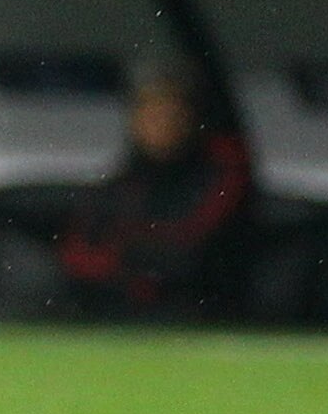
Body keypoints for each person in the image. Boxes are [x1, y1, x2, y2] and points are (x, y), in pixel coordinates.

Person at [55, 65, 252, 320]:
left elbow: (192, 252)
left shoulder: (219, 173)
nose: (161, 123)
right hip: (114, 311)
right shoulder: (121, 183)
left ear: (191, 118)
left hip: (197, 312)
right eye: (151, 112)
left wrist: (129, 255)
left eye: (171, 112)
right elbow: (77, 252)